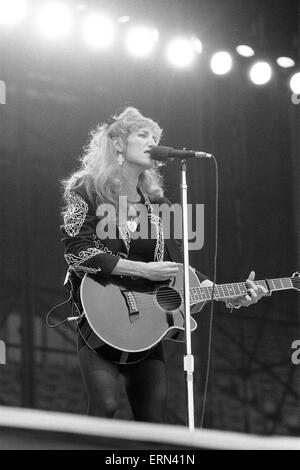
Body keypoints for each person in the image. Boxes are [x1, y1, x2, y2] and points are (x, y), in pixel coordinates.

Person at [60, 106, 267, 423]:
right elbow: (77, 250)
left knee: (153, 421)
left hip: (149, 321)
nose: (151, 141)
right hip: (102, 308)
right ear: (118, 143)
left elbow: (173, 267)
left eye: (155, 137)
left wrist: (222, 292)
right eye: (142, 134)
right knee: (104, 406)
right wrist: (143, 270)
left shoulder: (157, 205)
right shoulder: (86, 187)